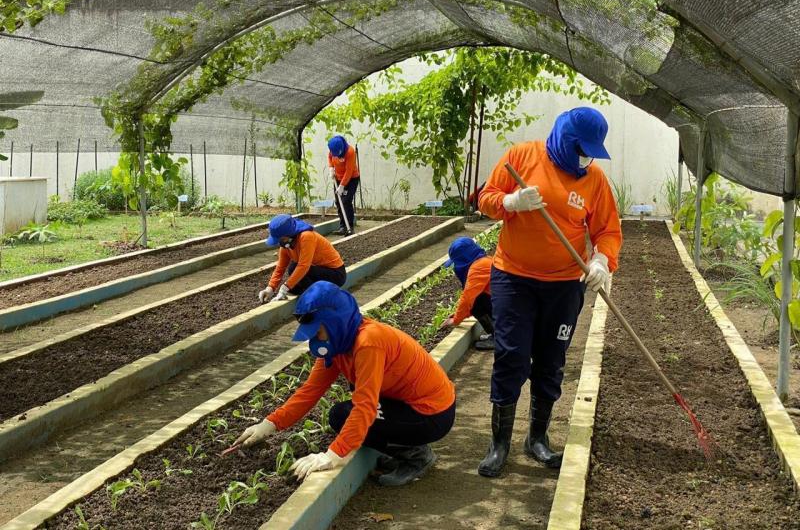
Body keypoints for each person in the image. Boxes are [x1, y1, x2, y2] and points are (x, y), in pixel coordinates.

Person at [476, 106, 622, 477]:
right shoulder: (521, 157)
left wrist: (602, 261)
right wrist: (510, 203)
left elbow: (607, 230)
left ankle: (537, 437)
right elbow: (486, 198)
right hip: (514, 278)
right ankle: (500, 443)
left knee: (551, 358)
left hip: (564, 285)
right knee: (511, 355)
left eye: (591, 152)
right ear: (564, 140)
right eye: (581, 149)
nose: (586, 158)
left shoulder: (594, 180)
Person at [234, 281, 457, 486]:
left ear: (335, 323)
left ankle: (416, 455)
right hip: (403, 405)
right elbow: (310, 391)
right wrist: (269, 424)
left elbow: (365, 407)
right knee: (339, 415)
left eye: (317, 332)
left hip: (431, 414)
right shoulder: (338, 346)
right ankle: (404, 447)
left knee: (349, 414)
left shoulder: (368, 343)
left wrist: (332, 455)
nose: (315, 340)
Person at [257, 215, 346, 303]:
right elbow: (280, 267)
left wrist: (284, 288)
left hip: (335, 274)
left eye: (280, 239)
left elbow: (304, 266)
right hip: (316, 271)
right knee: (293, 277)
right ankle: (313, 294)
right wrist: (270, 288)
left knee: (295, 270)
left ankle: (321, 299)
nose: (278, 242)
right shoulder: (285, 245)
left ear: (288, 234)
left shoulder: (306, 236)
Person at [438, 236, 495, 351]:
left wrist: (456, 320)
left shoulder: (478, 268)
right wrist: (458, 314)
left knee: (477, 301)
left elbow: (468, 298)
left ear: (463, 258)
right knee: (478, 301)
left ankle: (499, 338)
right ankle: (496, 334)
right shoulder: (484, 261)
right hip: (506, 303)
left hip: (507, 306)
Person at [327, 135, 360, 235]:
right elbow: (329, 157)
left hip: (351, 179)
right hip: (338, 178)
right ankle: (342, 227)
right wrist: (331, 168)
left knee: (346, 201)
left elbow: (349, 171)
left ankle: (350, 226)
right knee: (338, 202)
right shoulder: (333, 149)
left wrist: (342, 186)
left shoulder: (350, 152)